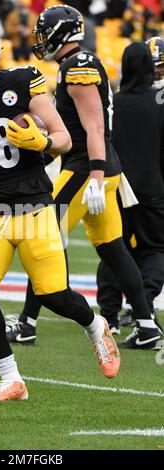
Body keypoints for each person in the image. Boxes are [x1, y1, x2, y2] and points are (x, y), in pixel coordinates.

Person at [0, 17, 120, 401]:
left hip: (34, 208)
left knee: (55, 296)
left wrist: (40, 141)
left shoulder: (21, 82)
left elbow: (64, 139)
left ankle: (95, 324)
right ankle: (11, 378)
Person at [6, 4, 162, 350]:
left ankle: (28, 323)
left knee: (41, 236)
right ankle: (148, 325)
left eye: (46, 32)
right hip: (98, 167)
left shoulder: (78, 67)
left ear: (63, 33)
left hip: (86, 168)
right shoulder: (75, 65)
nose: (42, 39)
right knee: (114, 249)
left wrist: (93, 173)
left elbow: (94, 127)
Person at [96, 40, 164, 337]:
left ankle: (108, 316)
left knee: (114, 249)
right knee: (155, 249)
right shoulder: (160, 101)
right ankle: (144, 310)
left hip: (117, 185)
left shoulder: (113, 101)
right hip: (152, 186)